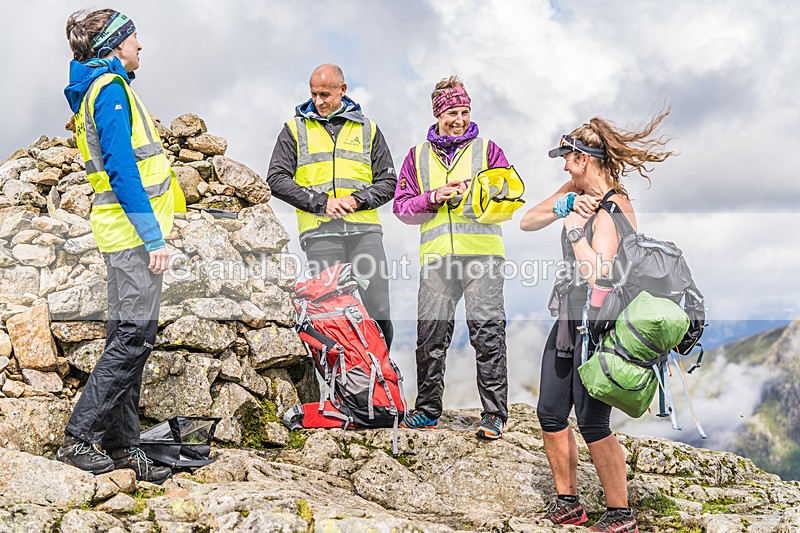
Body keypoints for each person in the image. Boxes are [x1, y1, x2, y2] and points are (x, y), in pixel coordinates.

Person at [520, 109, 675, 532]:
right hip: (569, 318)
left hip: (602, 324)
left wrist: (575, 230)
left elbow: (598, 274)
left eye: (567, 160)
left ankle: (620, 514)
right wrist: (565, 205)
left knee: (591, 422)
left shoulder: (613, 208)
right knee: (550, 413)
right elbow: (527, 220)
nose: (564, 168)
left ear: (584, 159)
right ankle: (568, 503)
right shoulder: (577, 190)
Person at [57, 8, 185, 484]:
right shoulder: (109, 88)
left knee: (129, 340)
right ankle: (78, 438)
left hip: (121, 234)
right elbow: (122, 167)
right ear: (115, 45)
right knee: (133, 337)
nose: (140, 46)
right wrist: (153, 236)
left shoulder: (101, 88)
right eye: (133, 38)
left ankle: (125, 447)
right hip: (133, 238)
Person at [394, 76, 511, 439]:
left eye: (464, 112)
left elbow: (508, 198)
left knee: (487, 333)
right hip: (437, 258)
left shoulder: (489, 150)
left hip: (482, 256)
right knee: (430, 336)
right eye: (451, 113)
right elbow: (401, 208)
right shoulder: (416, 156)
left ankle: (494, 415)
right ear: (437, 114)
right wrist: (433, 197)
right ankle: (427, 410)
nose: (459, 120)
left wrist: (476, 193)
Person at [267, 64, 396, 349]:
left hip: (365, 233)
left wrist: (357, 200)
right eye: (313, 94)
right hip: (320, 234)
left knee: (379, 311)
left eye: (325, 94)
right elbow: (276, 179)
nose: (318, 101)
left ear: (342, 90)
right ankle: (346, 377)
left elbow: (389, 182)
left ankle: (382, 372)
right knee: (332, 313)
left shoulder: (368, 129)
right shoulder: (294, 130)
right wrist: (321, 203)